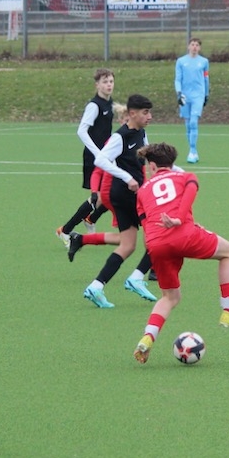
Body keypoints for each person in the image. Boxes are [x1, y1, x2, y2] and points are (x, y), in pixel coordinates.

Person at [131, 142, 229, 364]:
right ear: (171, 163)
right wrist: (179, 219)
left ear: (152, 166)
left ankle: (148, 337)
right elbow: (191, 190)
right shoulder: (185, 177)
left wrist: (160, 240)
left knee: (170, 297)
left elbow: (146, 224)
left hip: (156, 244)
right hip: (183, 234)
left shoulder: (143, 191)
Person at [73, 93, 157, 308]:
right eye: (145, 112)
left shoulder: (141, 132)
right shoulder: (121, 137)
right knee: (159, 235)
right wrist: (127, 177)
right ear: (132, 113)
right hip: (126, 195)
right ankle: (137, 277)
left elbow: (149, 157)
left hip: (129, 195)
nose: (150, 116)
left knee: (127, 245)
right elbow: (100, 160)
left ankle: (96, 287)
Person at [56, 68, 115, 246]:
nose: (109, 85)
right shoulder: (94, 106)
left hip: (106, 156)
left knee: (111, 194)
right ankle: (65, 230)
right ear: (97, 85)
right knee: (97, 197)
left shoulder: (109, 103)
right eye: (105, 82)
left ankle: (90, 219)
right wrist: (97, 152)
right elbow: (81, 131)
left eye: (111, 81)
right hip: (94, 157)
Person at [174, 37, 210, 164]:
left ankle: (192, 151)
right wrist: (179, 93)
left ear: (199, 48)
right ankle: (192, 149)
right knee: (188, 124)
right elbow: (178, 79)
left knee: (194, 122)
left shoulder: (204, 62)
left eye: (197, 45)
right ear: (188, 46)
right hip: (185, 96)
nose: (194, 47)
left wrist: (206, 94)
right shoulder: (181, 61)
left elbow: (206, 79)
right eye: (192, 44)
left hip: (198, 95)